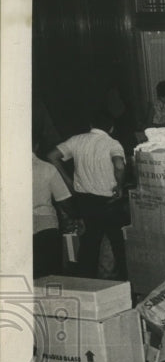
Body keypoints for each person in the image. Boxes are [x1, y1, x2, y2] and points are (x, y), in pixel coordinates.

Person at [46, 111, 126, 279]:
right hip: (109, 201)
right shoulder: (112, 143)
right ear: (111, 128)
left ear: (91, 125)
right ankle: (123, 281)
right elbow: (119, 165)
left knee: (89, 243)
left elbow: (52, 156)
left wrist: (69, 180)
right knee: (117, 243)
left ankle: (85, 284)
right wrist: (119, 186)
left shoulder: (77, 140)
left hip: (85, 201)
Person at [33, 134, 75, 278]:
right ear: (37, 145)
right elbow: (63, 199)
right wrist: (74, 217)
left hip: (17, 227)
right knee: (51, 274)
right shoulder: (47, 168)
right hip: (46, 226)